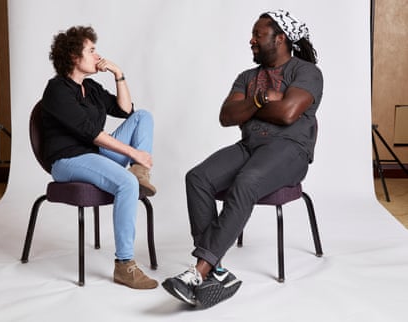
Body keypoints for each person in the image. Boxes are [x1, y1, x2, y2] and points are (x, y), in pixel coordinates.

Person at [162, 10, 323, 308]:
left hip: (290, 150)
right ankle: (218, 270)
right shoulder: (247, 78)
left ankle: (198, 272)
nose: (251, 40)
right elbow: (227, 116)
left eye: (258, 35)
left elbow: (288, 114)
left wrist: (250, 108)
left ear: (281, 38)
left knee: (246, 181)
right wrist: (262, 99)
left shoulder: (306, 72)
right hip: (250, 146)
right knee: (197, 177)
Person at [41, 26, 158, 289]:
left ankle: (140, 172)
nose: (97, 56)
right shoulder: (57, 90)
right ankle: (124, 265)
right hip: (68, 161)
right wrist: (132, 152)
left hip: (95, 157)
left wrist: (119, 74)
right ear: (73, 56)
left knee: (143, 117)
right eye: (91, 50)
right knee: (126, 184)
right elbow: (91, 132)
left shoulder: (90, 88)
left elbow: (125, 110)